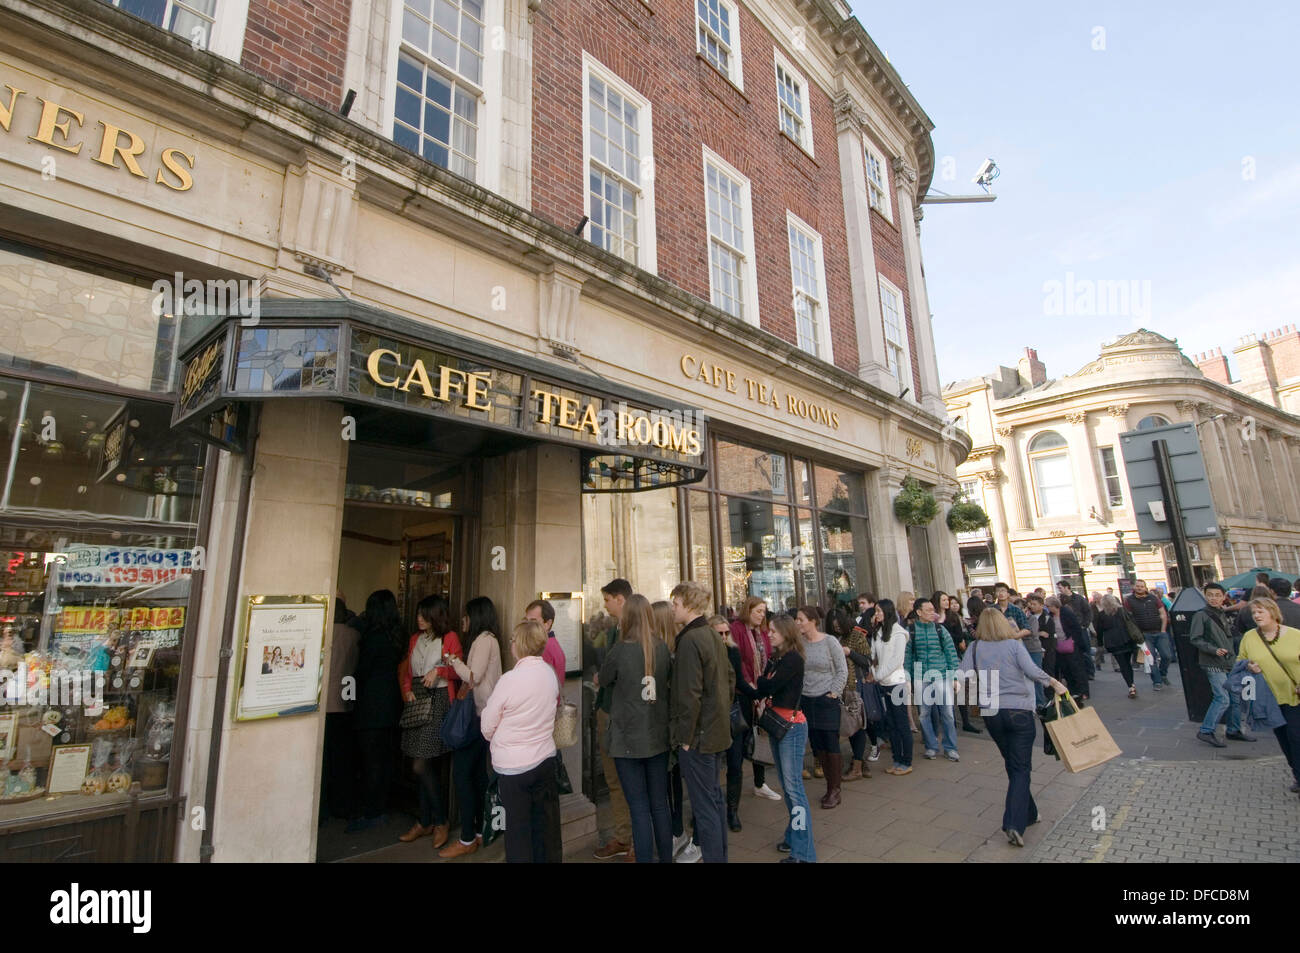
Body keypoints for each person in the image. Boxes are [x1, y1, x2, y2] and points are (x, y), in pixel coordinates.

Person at [958, 608, 1068, 847]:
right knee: (1020, 768)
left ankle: (1030, 813)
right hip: (1019, 711)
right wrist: (1053, 682)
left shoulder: (975, 648)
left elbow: (962, 675)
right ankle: (1013, 824)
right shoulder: (1013, 645)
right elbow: (1031, 671)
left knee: (1013, 764)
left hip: (992, 714)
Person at [481, 620, 561, 863]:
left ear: (520, 645)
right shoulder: (548, 673)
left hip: (514, 768)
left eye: (513, 640)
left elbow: (487, 725)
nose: (511, 644)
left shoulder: (510, 680)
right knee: (542, 830)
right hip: (544, 760)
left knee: (517, 832)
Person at [600, 594, 673, 860]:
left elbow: (605, 678)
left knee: (639, 809)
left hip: (627, 739)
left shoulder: (619, 650)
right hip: (657, 737)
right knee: (659, 806)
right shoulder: (662, 647)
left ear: (626, 618)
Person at [669, 580, 733, 863]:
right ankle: (720, 855)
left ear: (689, 605)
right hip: (715, 731)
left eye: (676, 604)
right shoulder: (709, 634)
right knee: (714, 800)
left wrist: (685, 737)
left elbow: (689, 694)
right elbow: (729, 678)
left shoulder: (690, 639)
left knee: (705, 806)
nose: (673, 609)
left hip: (698, 737)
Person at [439, 596, 503, 859]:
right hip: (482, 715)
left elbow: (473, 676)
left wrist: (452, 660)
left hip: (479, 716)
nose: (462, 621)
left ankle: (467, 838)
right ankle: (477, 831)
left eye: (465, 616)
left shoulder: (484, 640)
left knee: (463, 775)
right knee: (476, 774)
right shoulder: (487, 640)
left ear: (474, 617)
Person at [397, 595, 460, 848]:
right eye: (418, 614)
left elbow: (459, 669)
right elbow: (407, 672)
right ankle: (425, 821)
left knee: (421, 764)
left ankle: (440, 821)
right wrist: (407, 690)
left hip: (440, 700)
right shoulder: (415, 639)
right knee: (421, 762)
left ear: (436, 615)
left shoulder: (450, 638)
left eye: (424, 615)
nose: (419, 619)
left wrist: (440, 670)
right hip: (418, 699)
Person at [754, 614, 815, 863]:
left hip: (791, 727)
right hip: (778, 725)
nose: (769, 634)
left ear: (786, 633)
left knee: (794, 790)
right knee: (788, 787)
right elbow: (763, 685)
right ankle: (793, 836)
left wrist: (763, 681)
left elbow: (766, 686)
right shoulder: (777, 657)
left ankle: (804, 853)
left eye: (773, 631)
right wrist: (763, 682)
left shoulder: (792, 659)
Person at [349, 589, 404, 833]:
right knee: (384, 760)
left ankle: (372, 812)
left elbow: (361, 671)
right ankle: (381, 807)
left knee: (370, 761)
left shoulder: (372, 638)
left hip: (370, 707)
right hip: (392, 705)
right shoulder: (399, 636)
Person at [1237, 597, 1300, 795]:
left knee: (1296, 737)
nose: (1256, 616)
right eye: (1254, 613)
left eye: (1260, 611)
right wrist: (1248, 665)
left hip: (1295, 696)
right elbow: (1240, 661)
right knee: (1283, 738)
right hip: (1269, 698)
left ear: (1273, 612)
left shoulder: (1295, 635)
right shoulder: (1249, 637)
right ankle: (1297, 774)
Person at [593, 578, 635, 860]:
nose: (605, 606)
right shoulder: (612, 631)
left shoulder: (637, 631)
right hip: (607, 711)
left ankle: (635, 842)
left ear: (620, 599)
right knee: (614, 779)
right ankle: (623, 837)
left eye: (607, 600)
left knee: (630, 779)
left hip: (626, 716)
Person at [729, 597, 781, 801]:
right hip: (743, 693)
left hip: (761, 693)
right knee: (740, 743)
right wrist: (750, 684)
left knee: (761, 736)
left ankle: (760, 783)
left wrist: (765, 685)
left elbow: (769, 657)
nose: (762, 615)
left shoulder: (764, 632)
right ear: (748, 610)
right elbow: (738, 659)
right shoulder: (736, 629)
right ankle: (734, 795)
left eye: (764, 611)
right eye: (758, 611)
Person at [1189, 583, 1253, 747]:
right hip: (1213, 662)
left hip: (1228, 662)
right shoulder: (1201, 615)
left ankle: (1234, 730)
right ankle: (1206, 731)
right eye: (1210, 595)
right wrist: (1214, 649)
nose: (1214, 598)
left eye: (1217, 595)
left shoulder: (1222, 613)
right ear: (1205, 596)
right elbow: (1195, 638)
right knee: (1222, 698)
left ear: (1224, 596)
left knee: (1234, 698)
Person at [796, 605, 847, 807]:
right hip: (807, 699)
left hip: (827, 699)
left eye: (800, 619)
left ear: (812, 621)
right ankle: (830, 785)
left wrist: (833, 693)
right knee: (817, 745)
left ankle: (835, 789)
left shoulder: (830, 642)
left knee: (831, 743)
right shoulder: (799, 643)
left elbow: (842, 671)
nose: (797, 623)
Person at [321, 598, 361, 826]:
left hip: (323, 703)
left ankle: (322, 807)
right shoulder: (353, 636)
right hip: (345, 701)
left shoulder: (323, 634)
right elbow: (354, 670)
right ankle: (342, 804)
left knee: (323, 760)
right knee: (342, 759)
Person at [905, 598, 960, 762]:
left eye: (932, 609)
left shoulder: (940, 630)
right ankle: (931, 746)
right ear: (919, 612)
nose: (932, 613)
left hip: (942, 676)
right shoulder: (911, 631)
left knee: (948, 714)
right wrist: (908, 678)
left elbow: (951, 653)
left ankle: (950, 748)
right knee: (924, 714)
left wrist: (954, 677)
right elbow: (907, 657)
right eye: (928, 610)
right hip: (921, 676)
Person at [827, 607, 871, 780]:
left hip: (854, 687)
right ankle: (859, 761)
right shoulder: (829, 639)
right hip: (838, 688)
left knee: (857, 725)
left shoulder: (856, 636)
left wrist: (849, 652)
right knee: (849, 725)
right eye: (834, 627)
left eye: (839, 626)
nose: (837, 629)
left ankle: (858, 764)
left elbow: (867, 661)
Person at [872, 599, 912, 776]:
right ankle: (896, 759)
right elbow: (874, 657)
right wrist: (875, 672)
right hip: (884, 683)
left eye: (879, 611)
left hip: (896, 683)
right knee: (892, 724)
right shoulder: (878, 632)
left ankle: (906, 761)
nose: (877, 614)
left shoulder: (899, 633)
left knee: (902, 723)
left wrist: (878, 675)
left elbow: (896, 660)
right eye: (876, 611)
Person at [1124, 580, 1171, 692]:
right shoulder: (1129, 601)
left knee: (1167, 656)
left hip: (1159, 632)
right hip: (1144, 635)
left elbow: (1163, 613)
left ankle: (1163, 674)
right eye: (1137, 586)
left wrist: (1163, 629)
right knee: (1151, 659)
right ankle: (1157, 681)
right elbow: (1128, 619)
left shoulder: (1154, 598)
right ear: (1134, 587)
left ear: (1145, 588)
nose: (1139, 588)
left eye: (1142, 586)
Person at [1045, 596, 1089, 700]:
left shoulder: (1066, 613)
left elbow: (1076, 628)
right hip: (1059, 645)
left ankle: (1083, 691)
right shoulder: (1050, 616)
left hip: (1071, 644)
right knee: (1066, 669)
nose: (1047, 608)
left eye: (1048, 606)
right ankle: (1073, 691)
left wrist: (1074, 640)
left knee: (1077, 668)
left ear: (1054, 605)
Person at [1096, 595, 1138, 698]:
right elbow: (1132, 622)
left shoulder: (1101, 615)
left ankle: (1130, 686)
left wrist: (1100, 643)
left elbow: (1099, 630)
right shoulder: (1122, 610)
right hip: (1126, 639)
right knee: (1128, 663)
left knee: (1123, 665)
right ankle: (1132, 683)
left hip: (1113, 642)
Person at [525, 599, 566, 701]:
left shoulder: (544, 647)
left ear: (547, 624)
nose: (527, 626)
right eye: (526, 621)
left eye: (533, 621)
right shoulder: (552, 643)